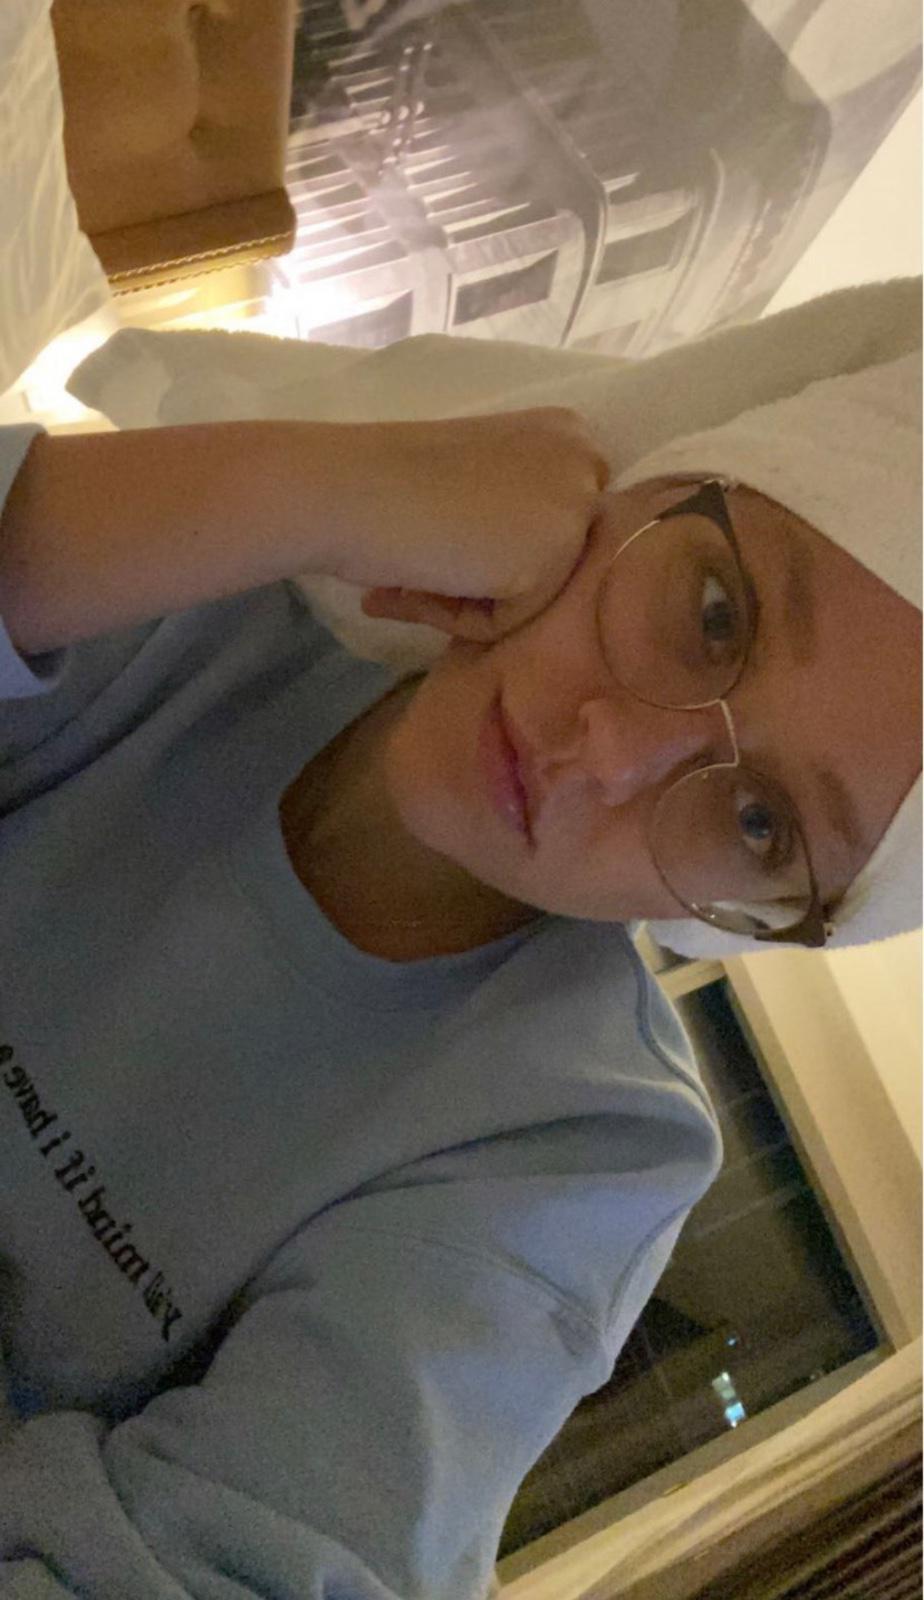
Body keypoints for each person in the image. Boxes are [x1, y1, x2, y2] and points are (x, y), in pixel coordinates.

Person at [0, 276, 919, 1598]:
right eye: (714, 614)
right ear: (658, 479)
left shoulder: (576, 1151)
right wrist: (315, 488)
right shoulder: (208, 587)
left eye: (761, 823)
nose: (606, 752)